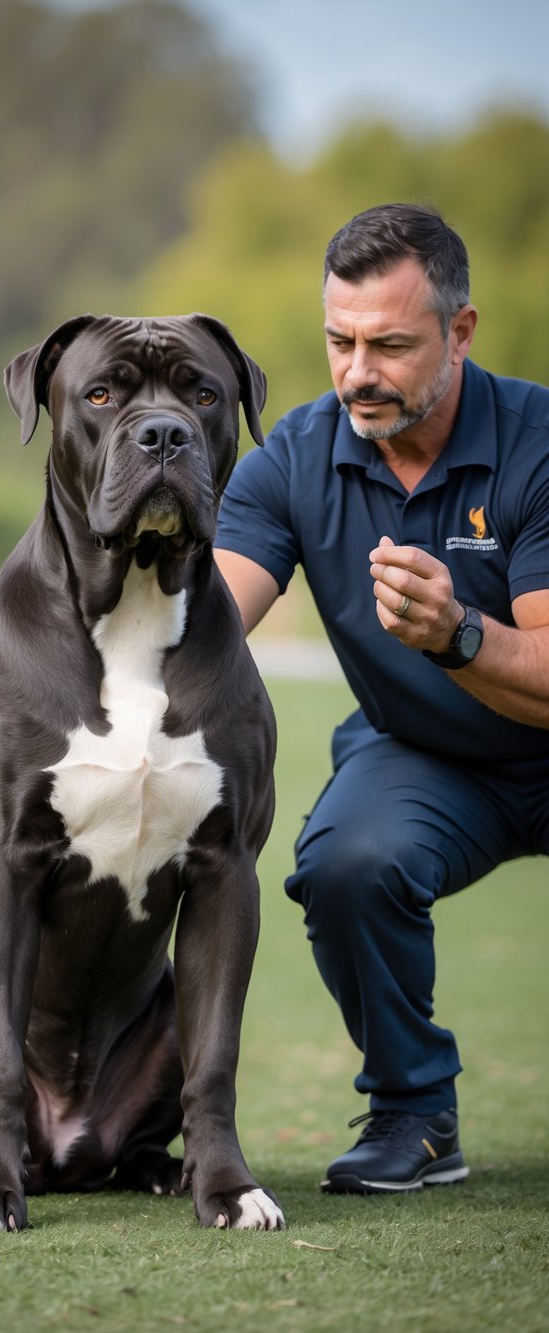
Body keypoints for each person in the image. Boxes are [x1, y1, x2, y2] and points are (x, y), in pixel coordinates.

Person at [214, 203, 549, 1194]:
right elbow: (209, 627)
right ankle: (413, 1114)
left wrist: (459, 633)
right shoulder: (290, 460)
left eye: (391, 344)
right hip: (428, 752)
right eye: (340, 340)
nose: (359, 370)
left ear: (460, 331)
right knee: (346, 860)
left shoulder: (538, 442)